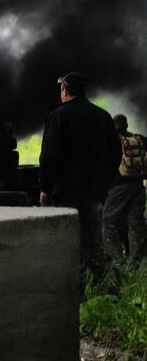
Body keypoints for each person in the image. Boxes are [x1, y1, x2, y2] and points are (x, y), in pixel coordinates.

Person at [39, 72, 122, 283]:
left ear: (65, 91)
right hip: (94, 193)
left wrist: (45, 188)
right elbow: (116, 153)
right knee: (93, 245)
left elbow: (49, 155)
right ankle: (110, 292)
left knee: (67, 245)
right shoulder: (103, 116)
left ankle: (76, 295)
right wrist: (104, 183)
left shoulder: (59, 115)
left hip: (65, 193)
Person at [102, 114, 147, 267]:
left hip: (118, 187)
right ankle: (135, 263)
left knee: (108, 223)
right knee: (136, 222)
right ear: (126, 125)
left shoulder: (110, 141)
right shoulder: (139, 138)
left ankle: (117, 263)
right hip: (139, 186)